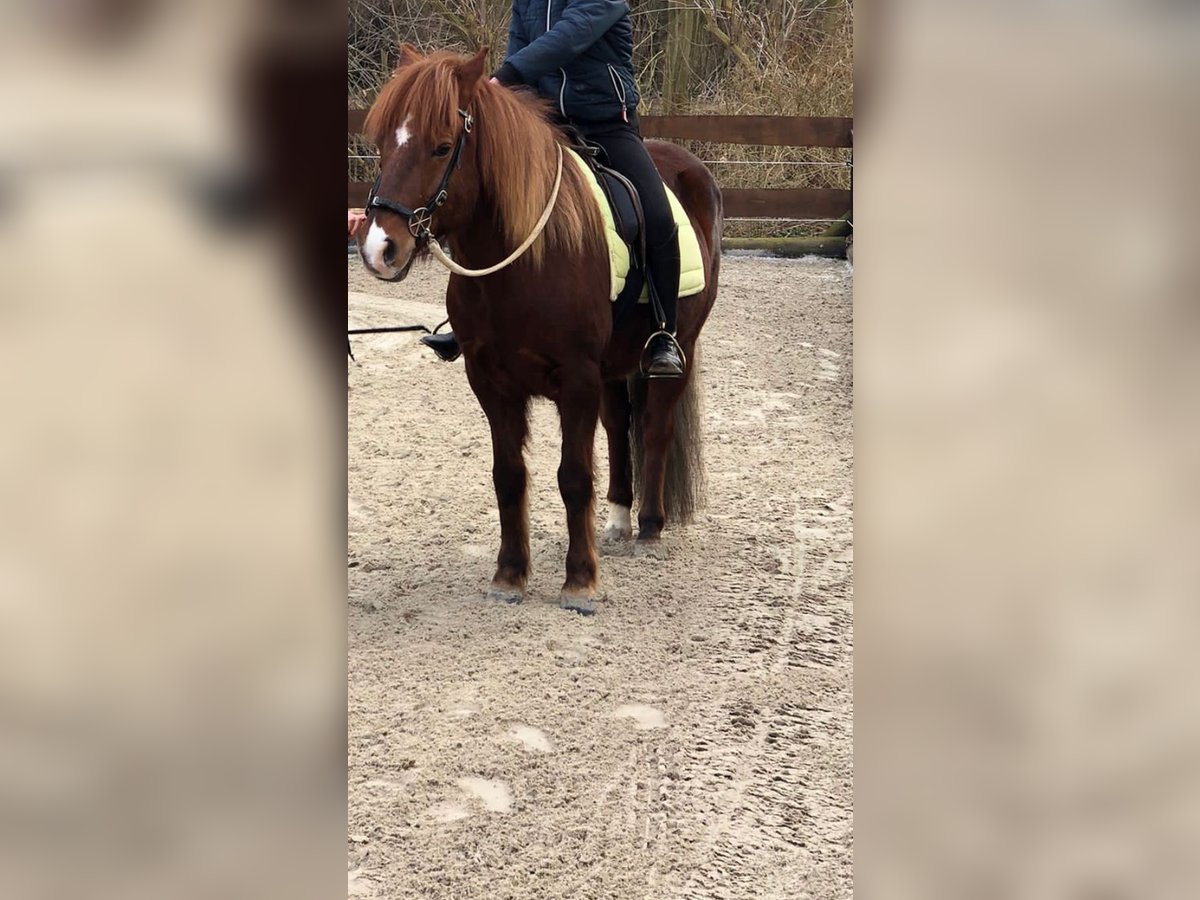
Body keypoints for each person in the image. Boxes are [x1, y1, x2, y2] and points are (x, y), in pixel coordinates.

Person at [421, 0, 685, 378]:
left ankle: (664, 332)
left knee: (657, 214)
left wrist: (501, 76)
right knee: (481, 201)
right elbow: (519, 52)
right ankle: (465, 320)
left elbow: (569, 37)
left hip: (605, 122)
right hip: (545, 124)